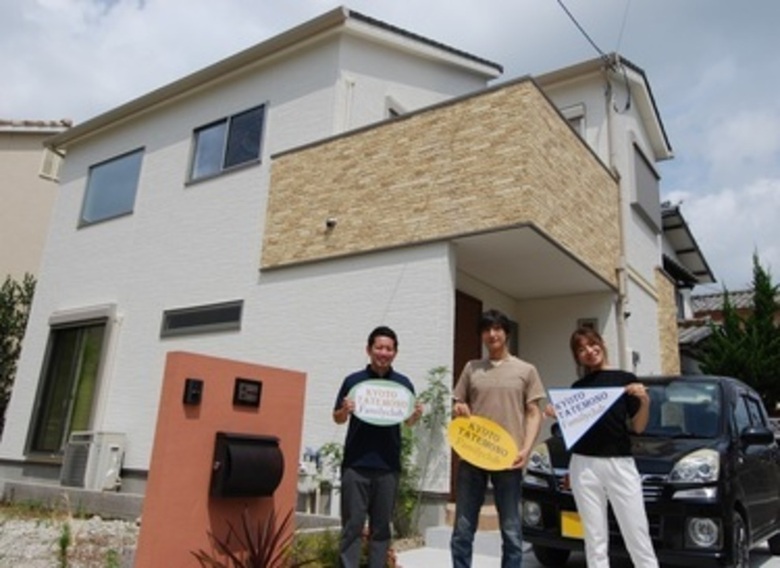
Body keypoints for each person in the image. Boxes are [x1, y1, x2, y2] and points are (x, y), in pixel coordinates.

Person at [450, 309, 545, 568]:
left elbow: (533, 413)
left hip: (509, 459)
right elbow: (458, 404)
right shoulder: (472, 368)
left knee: (512, 532)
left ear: (507, 333)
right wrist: (459, 409)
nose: (492, 334)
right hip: (473, 456)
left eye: (497, 329)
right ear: (482, 335)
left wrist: (525, 450)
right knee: (462, 529)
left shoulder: (526, 370)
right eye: (486, 330)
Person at [564, 326, 658, 568]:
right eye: (581, 349)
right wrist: (558, 414)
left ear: (601, 344)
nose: (589, 351)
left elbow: (638, 427)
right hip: (583, 464)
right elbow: (575, 431)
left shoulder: (625, 379)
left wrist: (644, 400)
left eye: (592, 344)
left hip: (619, 462)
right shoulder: (577, 388)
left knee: (637, 533)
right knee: (594, 540)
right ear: (577, 357)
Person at [333, 325, 422, 568]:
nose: (383, 352)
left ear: (395, 352)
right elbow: (338, 418)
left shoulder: (403, 385)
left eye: (389, 348)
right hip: (356, 465)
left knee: (381, 529)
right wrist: (344, 410)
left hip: (388, 466)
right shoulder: (353, 382)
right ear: (369, 350)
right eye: (379, 347)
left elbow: (408, 422)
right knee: (352, 526)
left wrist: (415, 415)